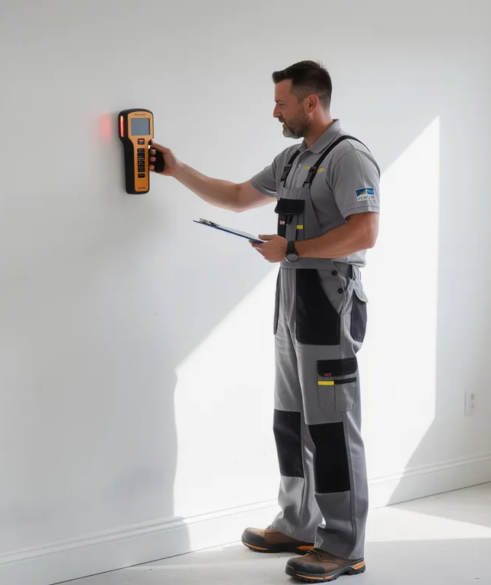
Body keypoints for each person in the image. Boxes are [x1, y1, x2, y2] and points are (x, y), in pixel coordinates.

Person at [149, 60, 380, 583]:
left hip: (329, 304)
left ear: (310, 103)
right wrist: (176, 168)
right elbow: (235, 197)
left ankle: (344, 544)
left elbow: (365, 233)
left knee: (332, 425)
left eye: (281, 102)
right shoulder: (293, 158)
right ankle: (299, 521)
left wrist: (293, 247)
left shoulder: (349, 158)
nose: (274, 110)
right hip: (292, 302)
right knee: (291, 419)